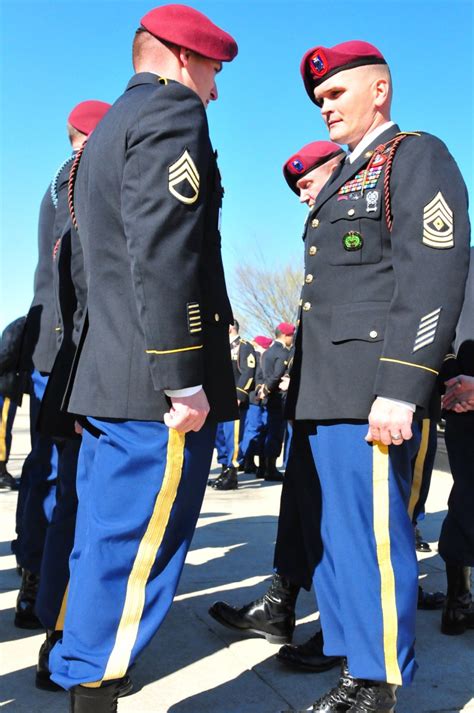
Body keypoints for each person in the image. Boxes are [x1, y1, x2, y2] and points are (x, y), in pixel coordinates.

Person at [48, 6, 238, 710]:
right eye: (213, 71)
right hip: (154, 387)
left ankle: (75, 668)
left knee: (102, 539)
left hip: (110, 377)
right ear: (185, 59)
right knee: (136, 553)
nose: (214, 91)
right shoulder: (172, 115)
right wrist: (182, 376)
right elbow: (163, 252)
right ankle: (92, 687)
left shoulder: (101, 139)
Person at [283, 40, 470, 712]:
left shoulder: (415, 155)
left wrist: (404, 382)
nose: (323, 106)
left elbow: (434, 270)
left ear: (379, 89)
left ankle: (377, 677)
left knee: (372, 536)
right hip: (326, 390)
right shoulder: (347, 174)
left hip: (371, 388)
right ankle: (351, 653)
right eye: (319, 98)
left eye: (335, 93)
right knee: (337, 535)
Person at [209, 142, 346, 675]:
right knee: (300, 504)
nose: (302, 198)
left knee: (345, 523)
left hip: (358, 394)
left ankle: (345, 635)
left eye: (307, 185)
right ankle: (279, 604)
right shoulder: (322, 228)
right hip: (317, 392)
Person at [12, 102, 106, 628]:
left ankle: (33, 573)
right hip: (70, 344)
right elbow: (84, 267)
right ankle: (42, 582)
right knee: (60, 474)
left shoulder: (56, 180)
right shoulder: (83, 175)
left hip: (51, 342)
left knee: (44, 467)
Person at [31, 100, 112, 693]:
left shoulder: (58, 183)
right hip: (81, 361)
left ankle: (40, 596)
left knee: (52, 483)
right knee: (80, 500)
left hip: (55, 360)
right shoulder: (86, 176)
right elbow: (84, 283)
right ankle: (62, 631)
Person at [438, 247, 474, 636]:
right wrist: (452, 381)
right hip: (463, 402)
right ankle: (459, 600)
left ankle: (459, 602)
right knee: (466, 496)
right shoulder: (459, 263)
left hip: (464, 396)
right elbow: (435, 328)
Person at [209, 320, 256, 490]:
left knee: (233, 437)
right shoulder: (218, 346)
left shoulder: (244, 347)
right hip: (217, 400)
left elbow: (248, 371)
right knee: (220, 437)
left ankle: (232, 473)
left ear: (229, 327)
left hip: (233, 400)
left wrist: (238, 395)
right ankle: (224, 469)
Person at [258, 322, 295, 481]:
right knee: (275, 433)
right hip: (278, 396)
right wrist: (268, 388)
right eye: (291, 336)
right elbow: (277, 374)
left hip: (269, 396)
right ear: (285, 335)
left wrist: (264, 389)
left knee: (267, 431)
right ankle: (270, 469)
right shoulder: (282, 352)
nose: (292, 339)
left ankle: (263, 467)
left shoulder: (267, 352)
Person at [0, 316, 28, 490]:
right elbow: (6, 353)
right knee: (2, 431)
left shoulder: (20, 325)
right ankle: (1, 472)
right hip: (5, 386)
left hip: (8, 387)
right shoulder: (20, 326)